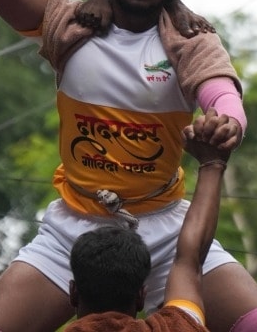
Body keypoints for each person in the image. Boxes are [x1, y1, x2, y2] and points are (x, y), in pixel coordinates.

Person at [0, 0, 257, 332]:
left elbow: (224, 97)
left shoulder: (191, 40)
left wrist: (225, 123)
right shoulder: (69, 24)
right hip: (74, 230)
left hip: (165, 232)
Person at [64, 114, 238, 330]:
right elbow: (189, 260)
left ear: (73, 293)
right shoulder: (176, 327)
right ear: (141, 297)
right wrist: (213, 163)